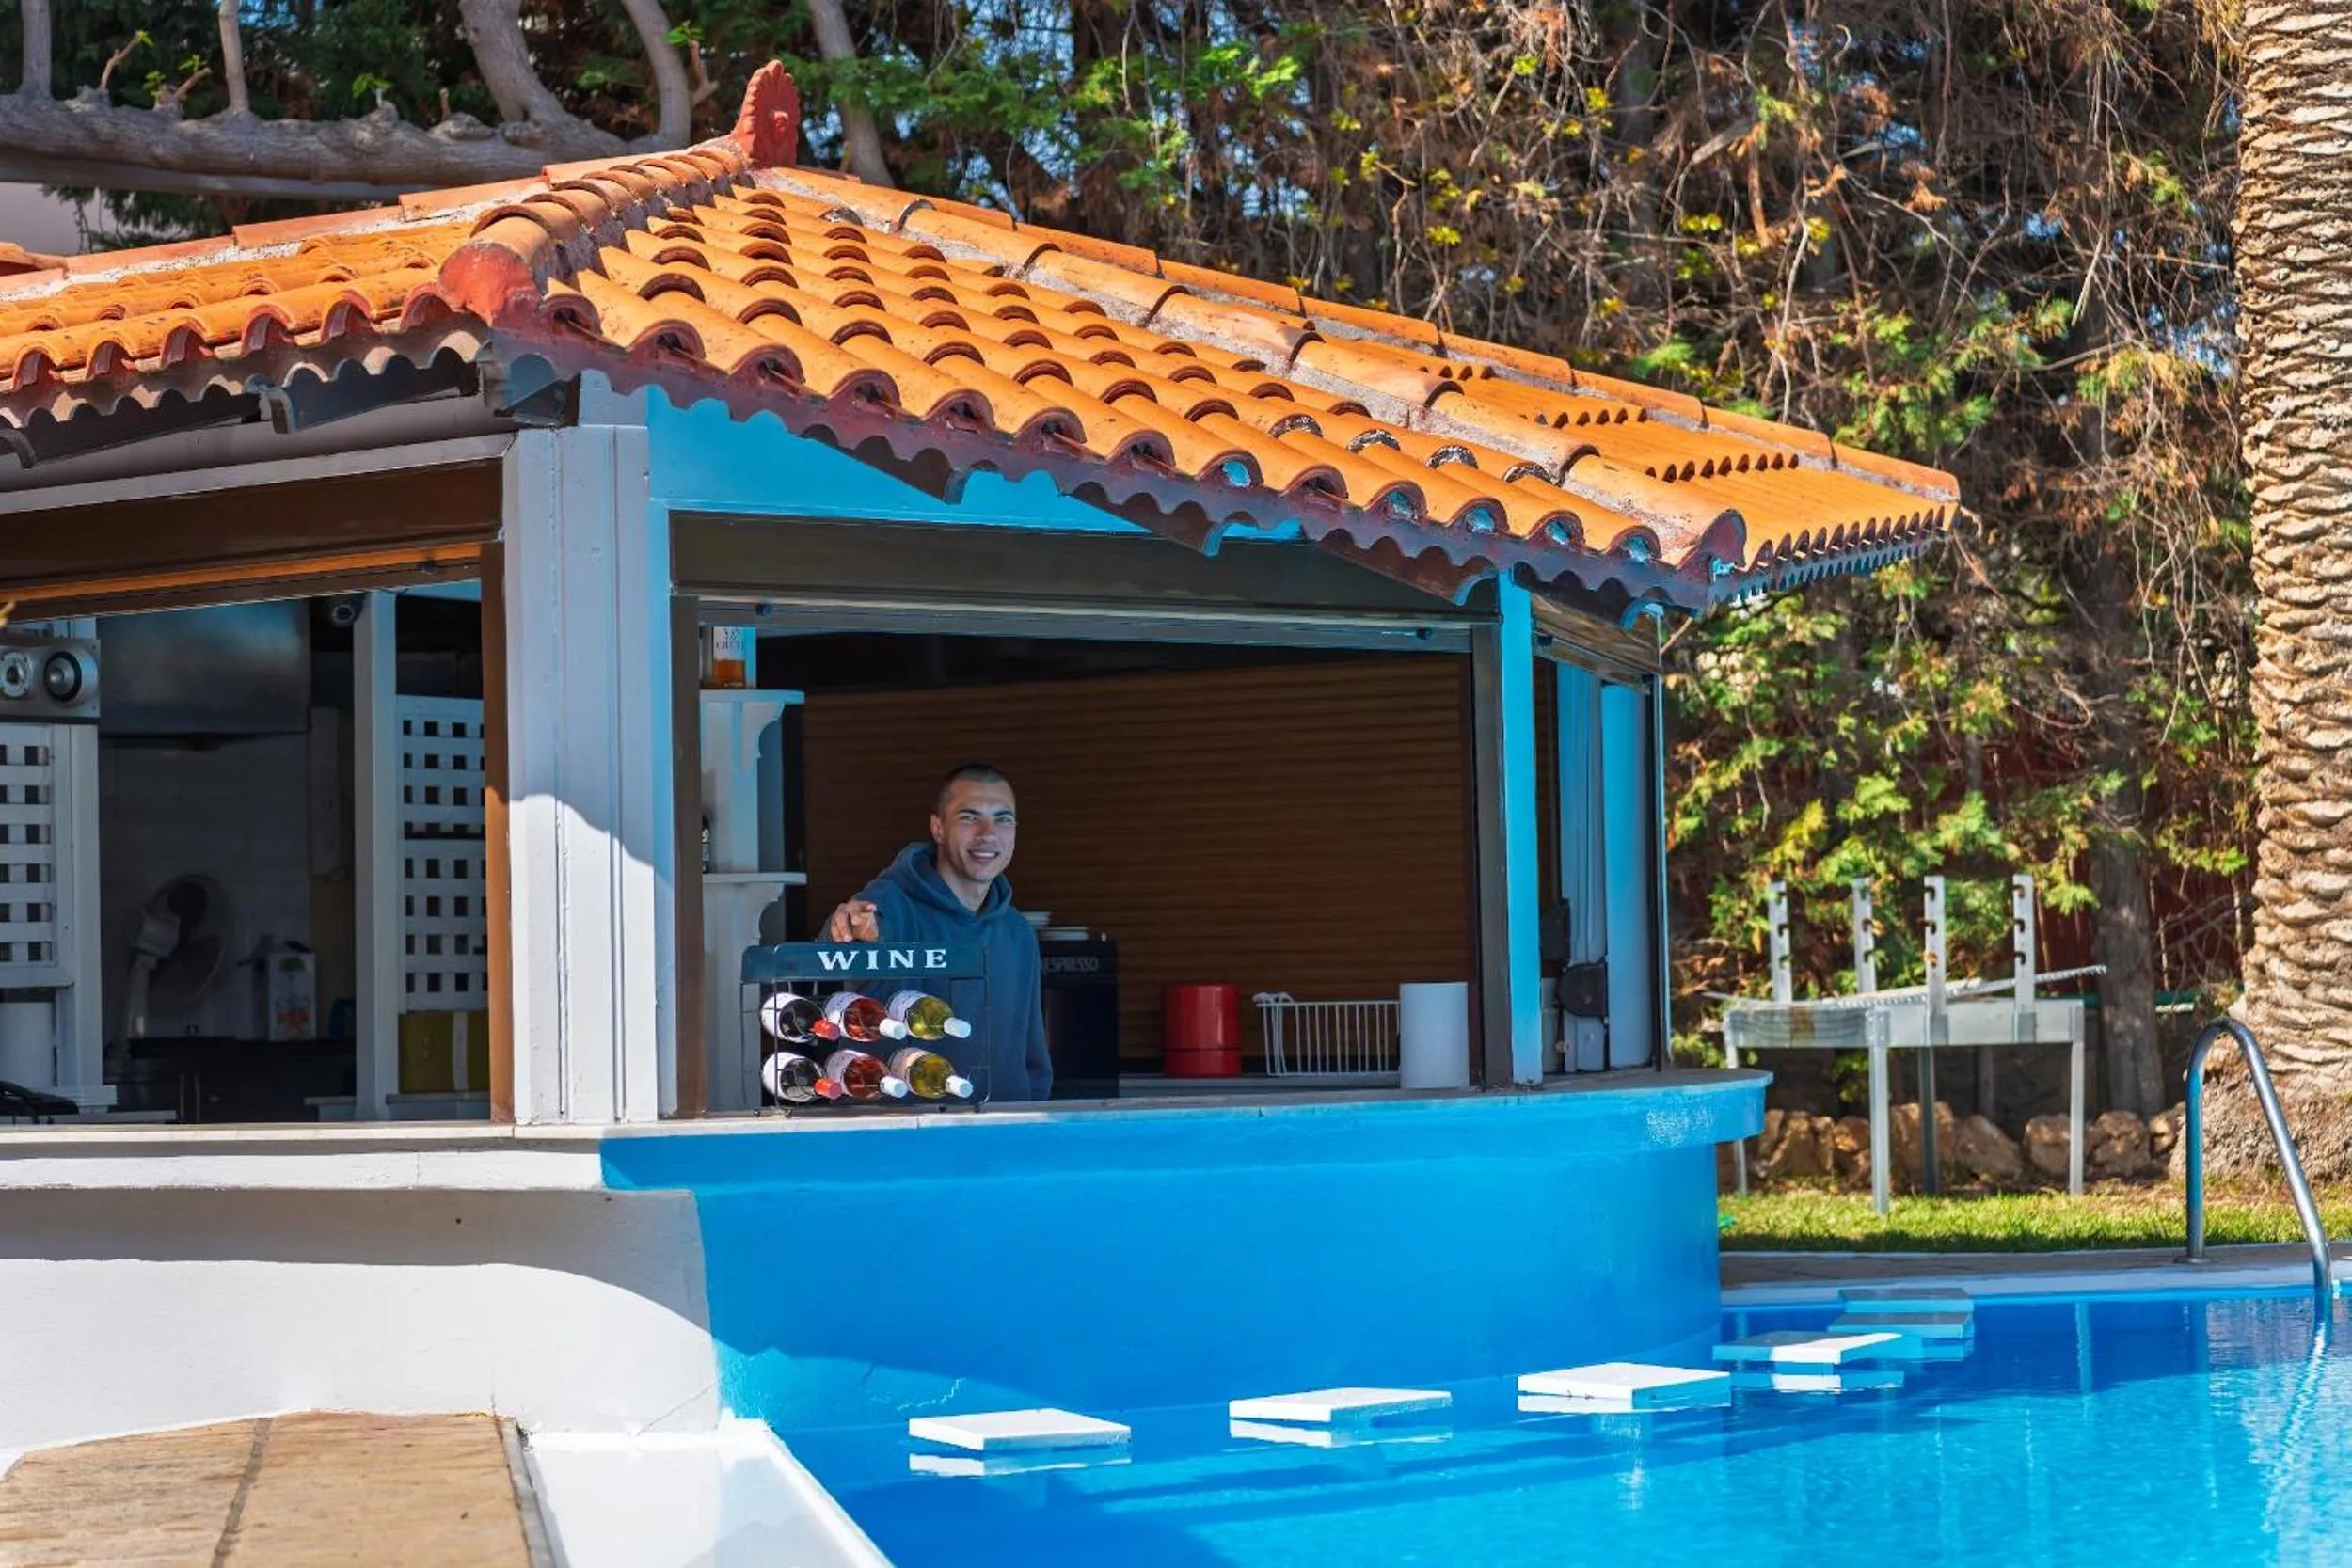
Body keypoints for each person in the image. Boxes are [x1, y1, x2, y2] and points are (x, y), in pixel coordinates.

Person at [824, 763, 1052, 1101]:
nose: (988, 833)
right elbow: (845, 939)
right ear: (938, 828)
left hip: (1003, 1134)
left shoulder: (1017, 932)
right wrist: (845, 926)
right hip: (902, 1139)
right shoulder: (891, 905)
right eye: (969, 817)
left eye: (1002, 819)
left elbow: (1031, 1051)